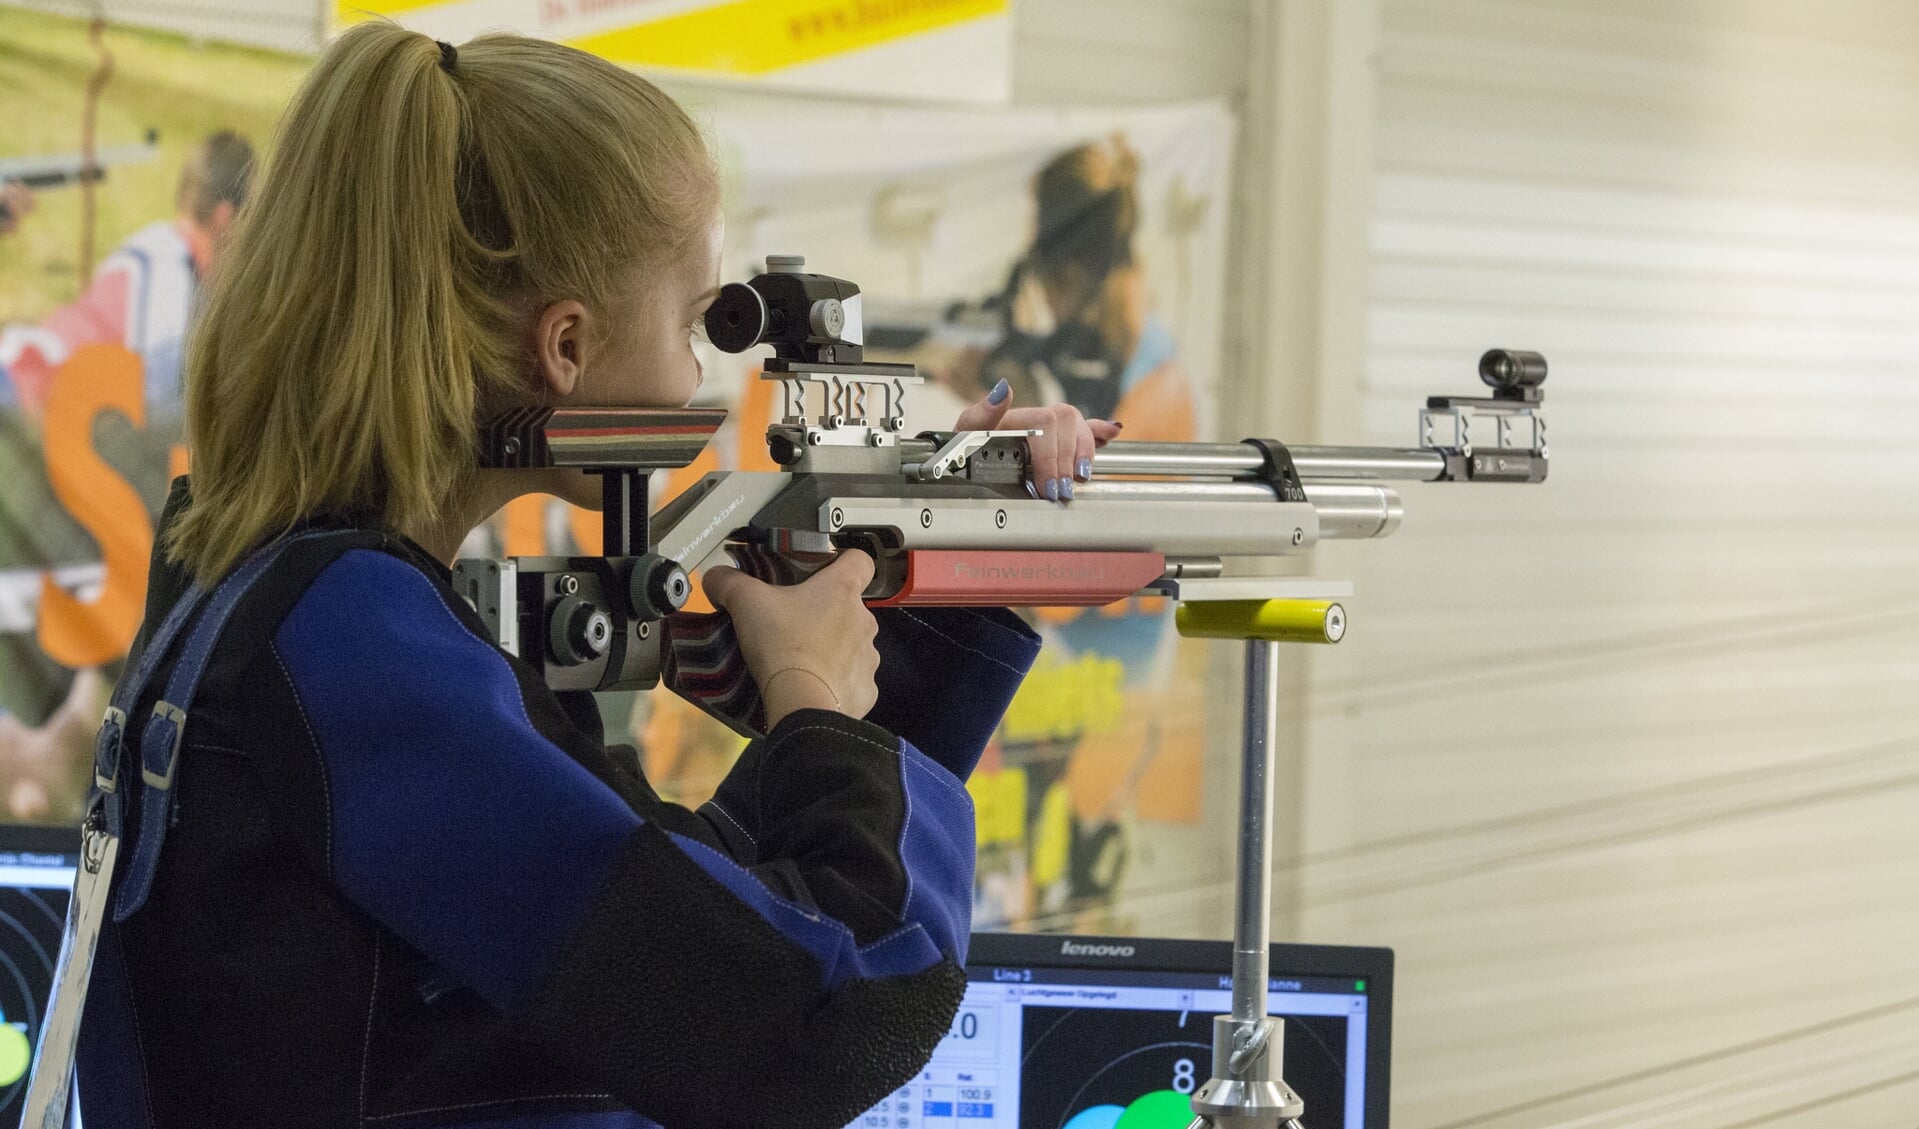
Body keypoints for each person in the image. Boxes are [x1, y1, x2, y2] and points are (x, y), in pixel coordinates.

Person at [77, 23, 1114, 1129]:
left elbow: (670, 920)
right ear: (564, 348)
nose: (694, 372)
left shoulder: (263, 594)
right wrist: (811, 698)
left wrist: (937, 574)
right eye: (690, 321)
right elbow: (812, 1016)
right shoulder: (351, 642)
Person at [0, 130, 253, 415]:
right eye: (255, 220)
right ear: (226, 219)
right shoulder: (172, 279)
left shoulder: (158, 246)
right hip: (20, 405)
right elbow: (163, 411)